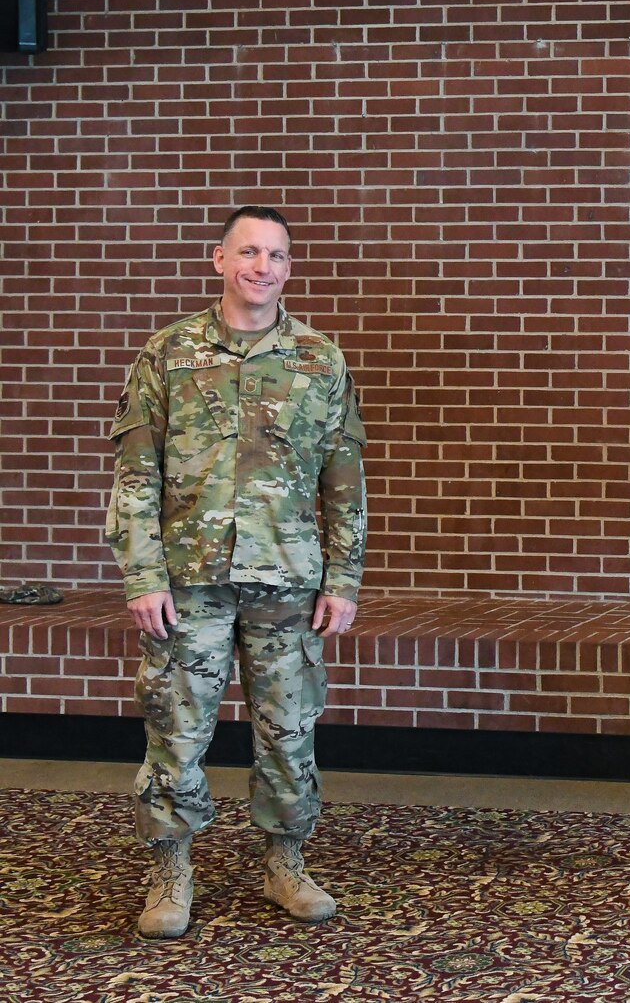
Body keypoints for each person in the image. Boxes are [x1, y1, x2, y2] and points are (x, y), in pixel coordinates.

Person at [105, 206, 367, 939]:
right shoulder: (168, 354)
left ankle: (286, 864)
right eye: (248, 252)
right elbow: (135, 474)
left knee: (289, 731)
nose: (263, 266)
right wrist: (142, 576)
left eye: (277, 255)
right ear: (218, 260)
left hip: (287, 581)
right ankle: (170, 870)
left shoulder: (320, 359)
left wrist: (342, 579)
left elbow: (344, 480)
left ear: (289, 267)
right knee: (177, 729)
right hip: (188, 580)